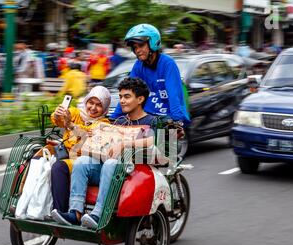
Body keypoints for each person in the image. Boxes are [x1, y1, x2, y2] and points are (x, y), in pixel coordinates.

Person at [51, 77, 156, 229]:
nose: (122, 101)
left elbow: (154, 141)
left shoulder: (151, 121)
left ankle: (98, 214)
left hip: (131, 171)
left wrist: (125, 144)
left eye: (127, 97)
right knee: (81, 162)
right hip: (107, 167)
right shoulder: (118, 121)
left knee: (110, 163)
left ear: (140, 99)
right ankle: (75, 212)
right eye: (120, 97)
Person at [110, 24, 190, 125]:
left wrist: (176, 121)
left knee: (166, 140)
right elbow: (128, 90)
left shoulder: (167, 63)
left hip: (169, 118)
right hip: (149, 120)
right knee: (134, 140)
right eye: (135, 47)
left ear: (153, 43)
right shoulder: (138, 66)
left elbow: (174, 95)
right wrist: (114, 118)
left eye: (141, 45)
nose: (137, 50)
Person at [50, 86, 111, 214]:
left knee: (59, 167)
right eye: (91, 103)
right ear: (86, 101)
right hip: (64, 153)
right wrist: (57, 114)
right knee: (36, 159)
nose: (93, 108)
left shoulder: (104, 123)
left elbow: (88, 133)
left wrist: (71, 125)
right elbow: (59, 120)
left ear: (104, 108)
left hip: (82, 159)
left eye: (99, 105)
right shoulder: (76, 113)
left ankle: (60, 211)